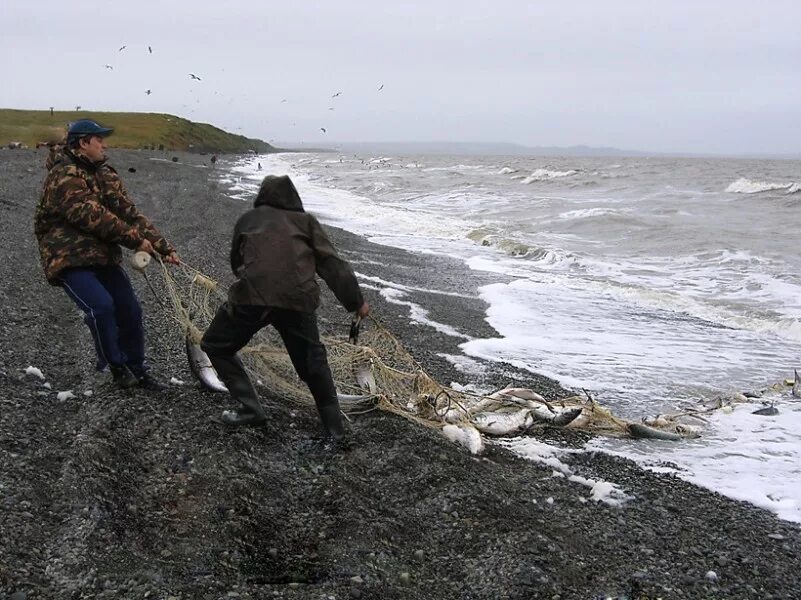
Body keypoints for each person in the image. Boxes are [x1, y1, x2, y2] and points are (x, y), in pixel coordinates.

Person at [201, 175, 369, 439]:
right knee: (314, 365)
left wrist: (256, 277)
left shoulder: (248, 219)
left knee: (216, 345)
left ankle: (250, 408)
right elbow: (333, 265)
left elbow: (236, 262)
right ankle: (335, 431)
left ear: (262, 196)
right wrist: (356, 303)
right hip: (297, 300)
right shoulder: (306, 222)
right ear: (294, 198)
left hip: (251, 298)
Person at [34, 119, 181, 389]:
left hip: (102, 256)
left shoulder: (105, 174)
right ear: (83, 143)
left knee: (131, 311)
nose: (105, 144)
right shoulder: (63, 175)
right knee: (101, 307)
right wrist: (137, 241)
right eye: (99, 140)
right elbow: (93, 216)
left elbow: (129, 213)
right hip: (68, 258)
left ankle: (138, 369)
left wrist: (163, 247)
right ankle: (116, 367)